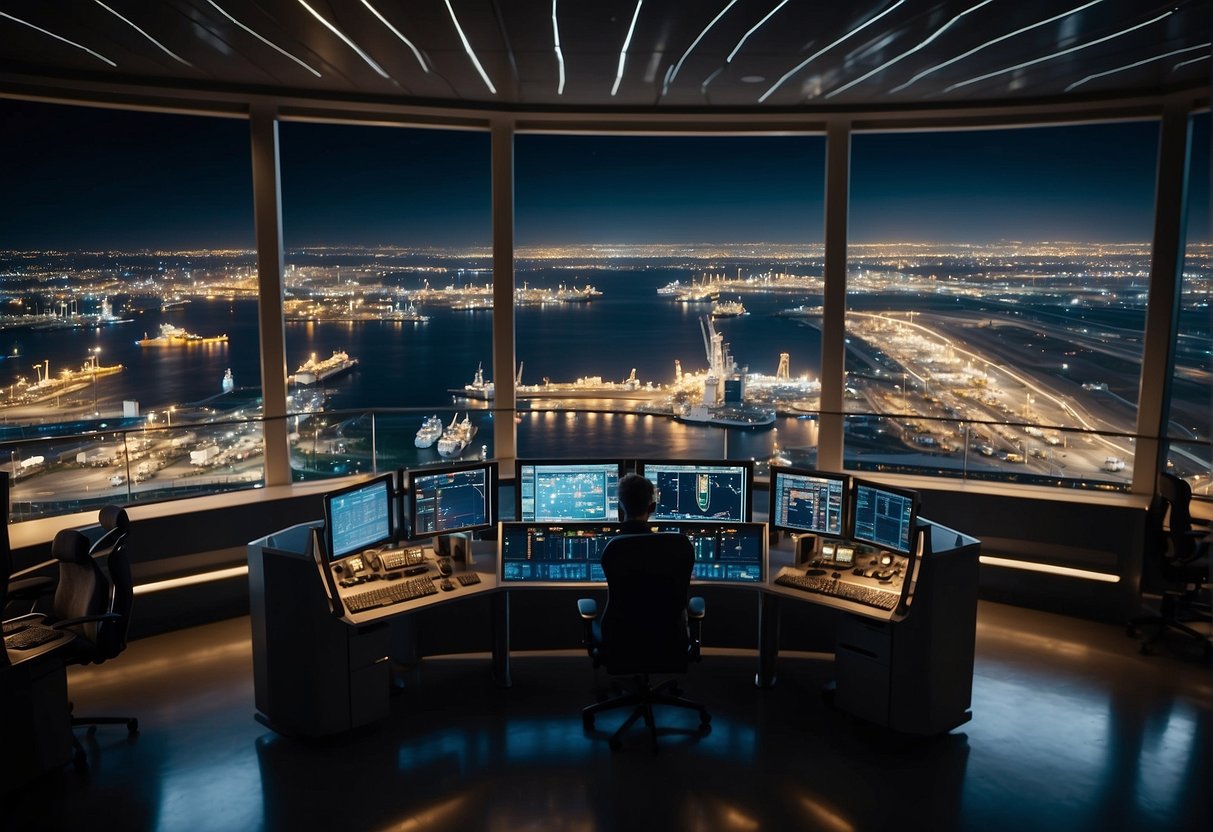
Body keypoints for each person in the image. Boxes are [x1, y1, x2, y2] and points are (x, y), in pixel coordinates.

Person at [601, 474, 694, 644]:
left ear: (620, 508)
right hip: (668, 640)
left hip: (621, 641)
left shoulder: (614, 549)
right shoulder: (676, 548)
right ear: (652, 507)